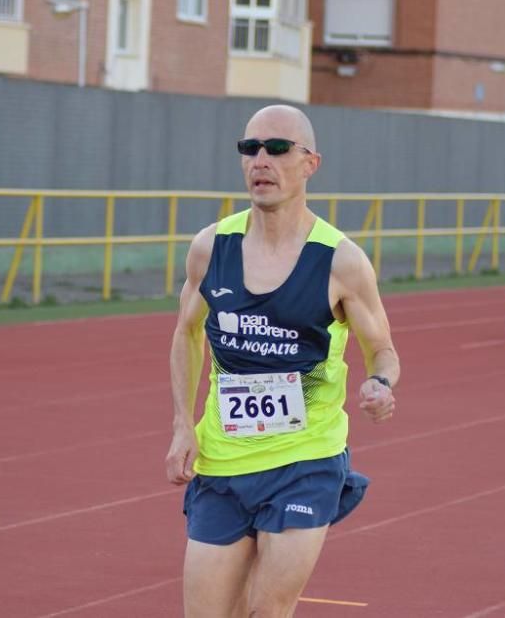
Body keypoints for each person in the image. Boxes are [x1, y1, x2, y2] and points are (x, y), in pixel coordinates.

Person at [165, 104, 399, 617]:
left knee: (267, 613)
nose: (260, 161)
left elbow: (381, 347)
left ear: (310, 163)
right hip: (222, 463)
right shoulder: (210, 247)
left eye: (277, 149)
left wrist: (380, 382)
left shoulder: (340, 260)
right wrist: (184, 424)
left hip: (305, 460)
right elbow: (186, 334)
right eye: (249, 149)